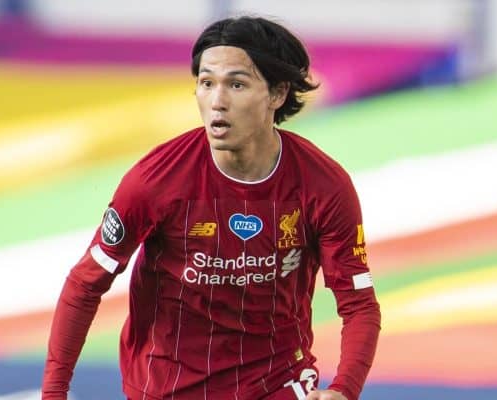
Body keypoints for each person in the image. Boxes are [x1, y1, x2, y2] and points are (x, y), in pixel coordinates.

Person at [42, 15, 381, 400]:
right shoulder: (155, 180)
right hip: (165, 386)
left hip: (276, 383)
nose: (217, 102)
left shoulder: (324, 186)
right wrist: (54, 394)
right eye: (206, 83)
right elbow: (85, 284)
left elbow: (359, 304)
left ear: (278, 93)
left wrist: (343, 390)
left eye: (236, 84)